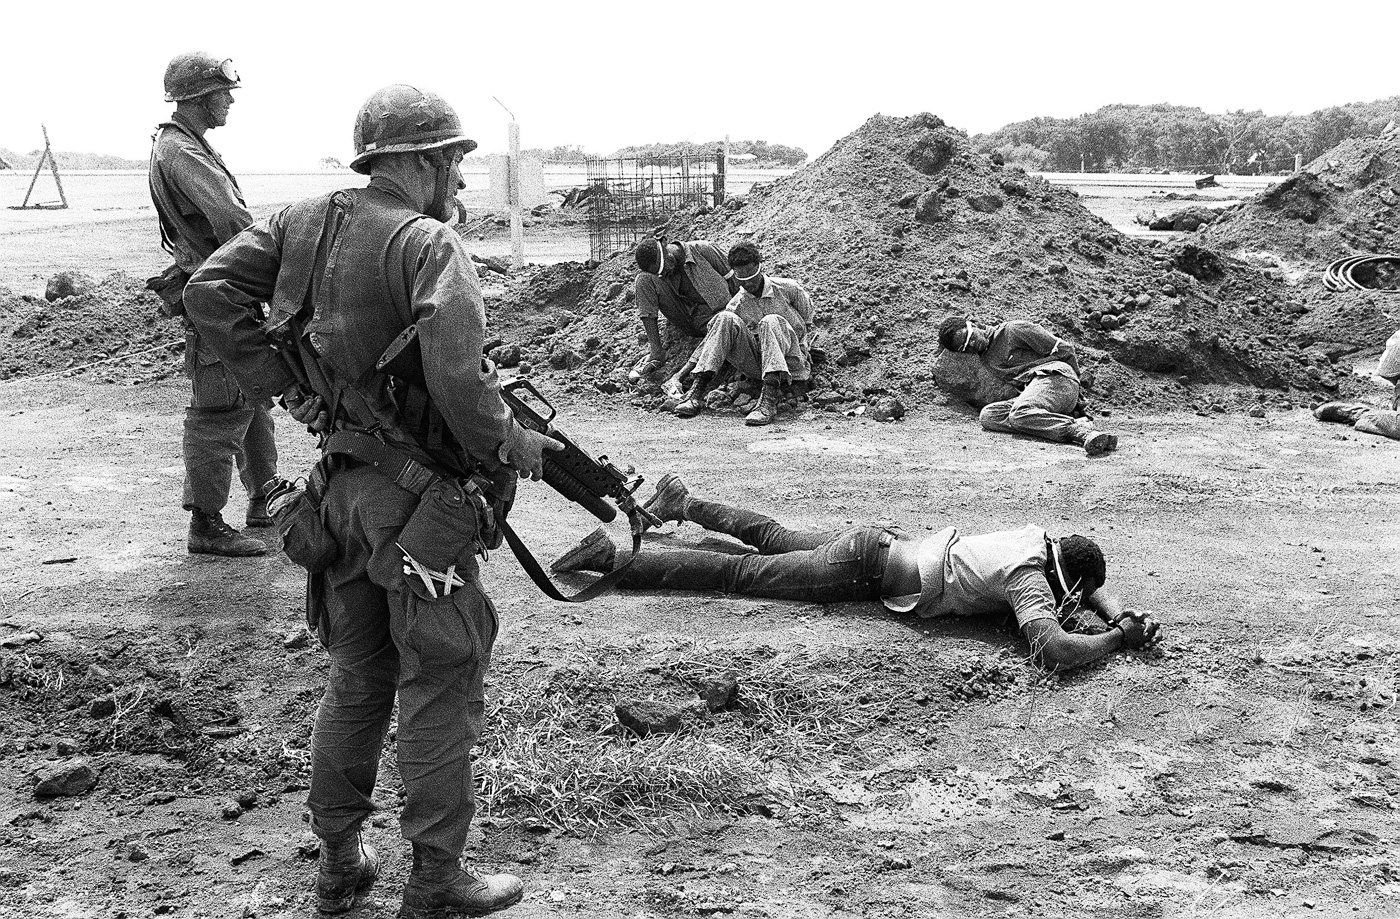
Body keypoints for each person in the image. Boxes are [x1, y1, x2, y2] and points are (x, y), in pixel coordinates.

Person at [185, 84, 561, 918]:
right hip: (418, 510)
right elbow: (463, 384)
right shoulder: (430, 244)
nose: (460, 181)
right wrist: (514, 442)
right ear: (423, 160)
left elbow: (207, 293)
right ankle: (434, 880)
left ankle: (339, 861)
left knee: (357, 676)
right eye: (456, 162)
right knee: (443, 672)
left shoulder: (295, 224)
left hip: (339, 495)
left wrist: (287, 388)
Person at [552, 475, 1161, 672]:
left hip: (883, 542)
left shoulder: (1038, 541)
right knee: (742, 575)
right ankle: (616, 560)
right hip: (867, 570)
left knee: (776, 539)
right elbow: (1052, 649)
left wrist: (1110, 610)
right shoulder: (1031, 581)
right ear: (1065, 582)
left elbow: (1081, 582)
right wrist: (1118, 638)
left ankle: (686, 503)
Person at [149, 51, 278, 557]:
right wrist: (278, 266)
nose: (230, 101)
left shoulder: (185, 146)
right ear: (202, 97)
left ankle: (265, 497)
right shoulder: (182, 152)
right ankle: (205, 523)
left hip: (223, 290)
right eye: (224, 93)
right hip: (218, 294)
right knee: (220, 409)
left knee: (253, 395)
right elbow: (233, 223)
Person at [674, 242, 815, 426]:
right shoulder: (737, 304)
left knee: (770, 321)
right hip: (759, 365)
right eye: (742, 279)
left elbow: (807, 321)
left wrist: (804, 350)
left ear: (759, 266)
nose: (748, 283)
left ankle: (768, 402)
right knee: (724, 318)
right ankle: (696, 391)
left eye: (752, 276)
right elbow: (712, 340)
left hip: (792, 362)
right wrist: (680, 374)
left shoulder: (789, 289)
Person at [938, 315, 1118, 456]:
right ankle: (1055, 422)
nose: (972, 345)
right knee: (988, 416)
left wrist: (1078, 394)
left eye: (969, 337)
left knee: (1018, 414)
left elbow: (1066, 350)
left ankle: (1080, 432)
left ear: (974, 324)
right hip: (1037, 390)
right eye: (965, 348)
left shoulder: (1013, 330)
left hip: (1057, 376)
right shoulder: (986, 359)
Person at [630, 237, 738, 381]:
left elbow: (737, 281)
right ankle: (656, 352)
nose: (664, 274)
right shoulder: (663, 274)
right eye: (659, 273)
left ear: (665, 246)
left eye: (663, 267)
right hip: (689, 319)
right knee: (643, 280)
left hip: (721, 319)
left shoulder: (703, 250)